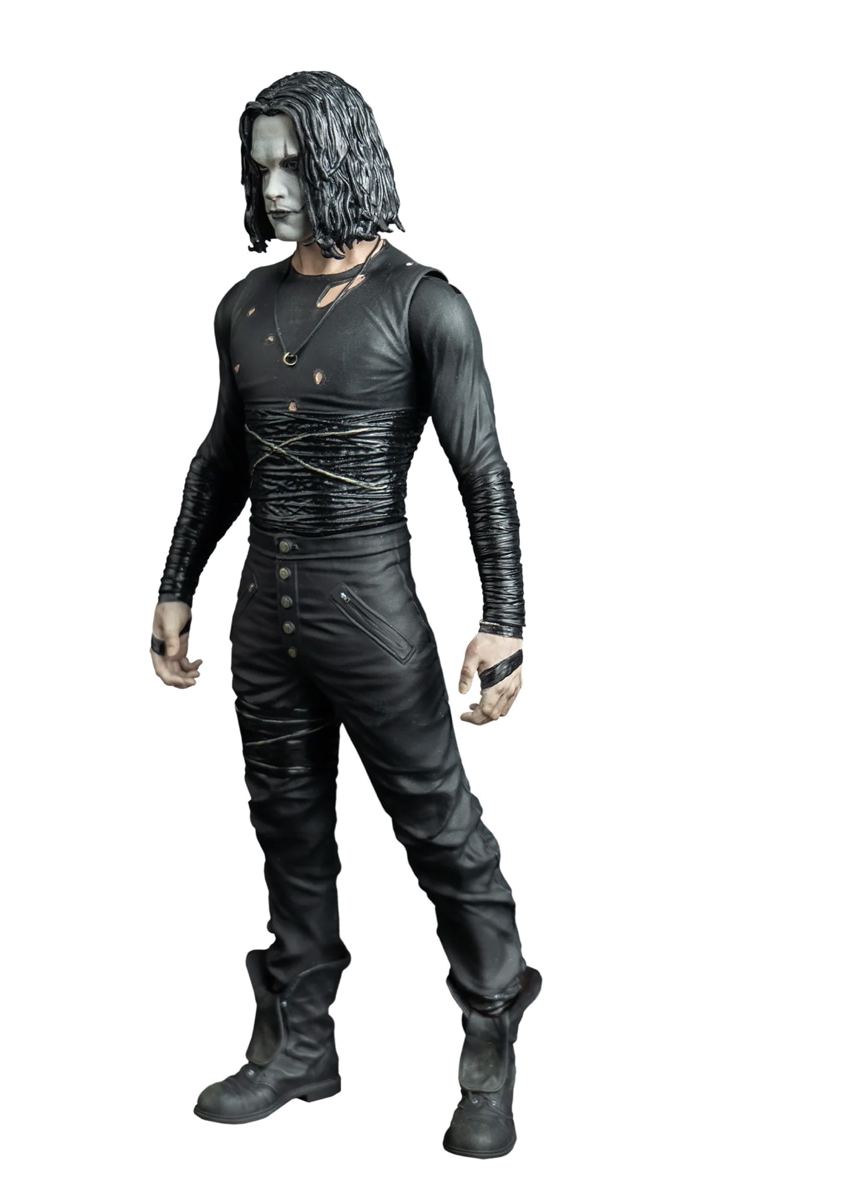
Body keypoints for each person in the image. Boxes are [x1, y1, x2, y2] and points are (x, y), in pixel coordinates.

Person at [152, 71, 539, 1159]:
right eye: (261, 165)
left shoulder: (425, 303)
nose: (274, 186)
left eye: (294, 162)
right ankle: (299, 1047)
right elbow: (221, 460)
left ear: (343, 158)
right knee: (286, 829)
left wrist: (505, 616)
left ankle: (490, 1041)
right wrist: (176, 585)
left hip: (370, 609)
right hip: (263, 618)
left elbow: (481, 467)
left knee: (440, 830)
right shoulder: (243, 306)